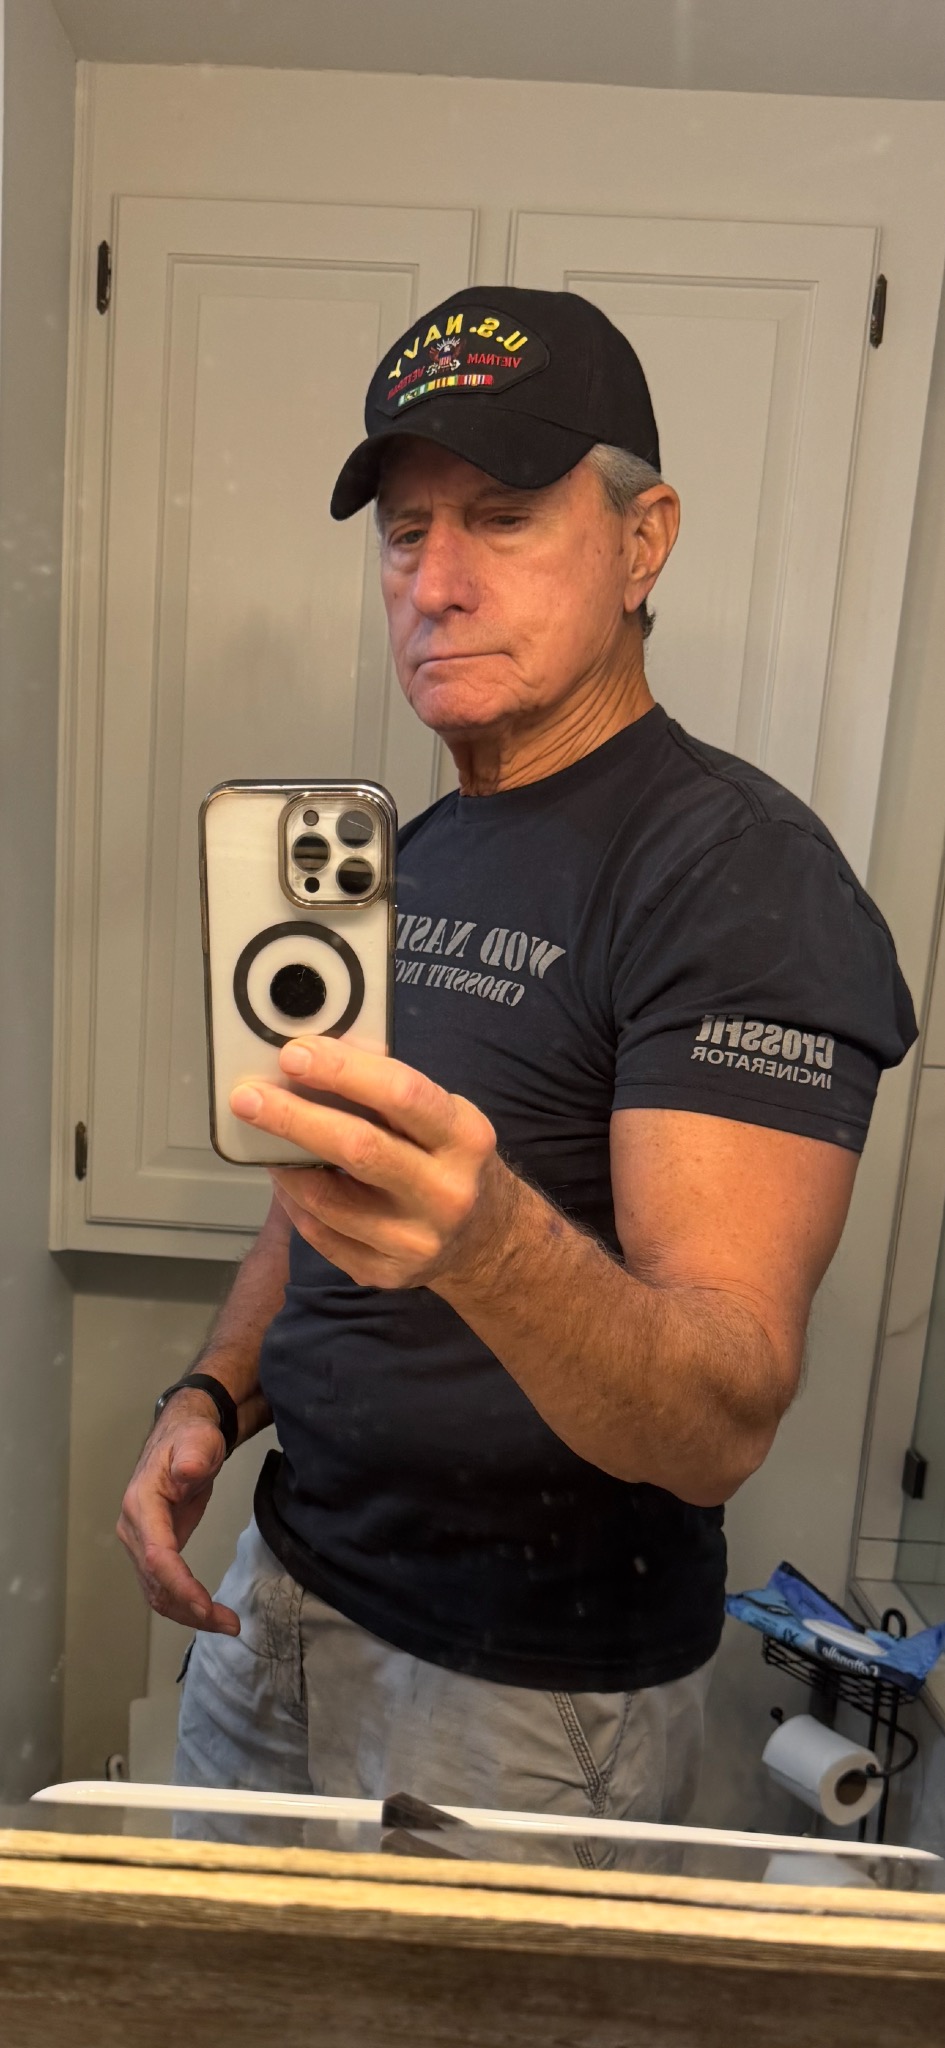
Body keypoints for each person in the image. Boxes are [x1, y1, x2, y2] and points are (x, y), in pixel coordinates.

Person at [118, 287, 916, 1850]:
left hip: (519, 1702)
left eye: (500, 517)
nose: (436, 581)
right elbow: (318, 1198)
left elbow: (716, 1418)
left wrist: (485, 1242)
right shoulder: (409, 852)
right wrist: (212, 1395)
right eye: (405, 533)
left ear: (641, 542)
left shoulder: (735, 877)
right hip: (280, 1598)